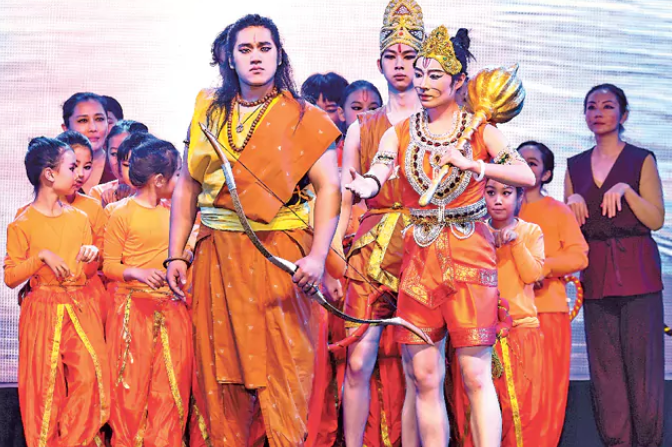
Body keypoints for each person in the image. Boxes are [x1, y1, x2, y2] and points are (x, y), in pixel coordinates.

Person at [345, 25, 535, 446]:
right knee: (424, 375)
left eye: (435, 75)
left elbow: (524, 174)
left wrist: (474, 166)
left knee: (474, 374)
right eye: (420, 73)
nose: (423, 83)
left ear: (458, 81)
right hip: (419, 262)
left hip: (470, 257)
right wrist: (366, 185)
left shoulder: (480, 131)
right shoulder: (400, 131)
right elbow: (379, 170)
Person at [166, 14, 341, 447]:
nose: (256, 57)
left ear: (280, 55)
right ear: (230, 58)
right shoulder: (208, 110)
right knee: (217, 375)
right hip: (217, 257)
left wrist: (318, 257)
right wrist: (175, 254)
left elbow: (330, 188)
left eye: (265, 48)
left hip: (279, 256)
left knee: (285, 370)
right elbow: (187, 184)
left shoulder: (305, 118)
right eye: (245, 49)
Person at [338, 1, 425, 446]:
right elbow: (344, 197)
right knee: (358, 360)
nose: (400, 65)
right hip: (371, 246)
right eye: (392, 56)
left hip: (422, 244)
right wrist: (335, 248)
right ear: (379, 64)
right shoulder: (362, 127)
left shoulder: (437, 124)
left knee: (419, 366)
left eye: (409, 56)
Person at [565, 84, 665, 447]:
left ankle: (649, 442)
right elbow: (569, 232)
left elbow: (656, 219)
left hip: (638, 272)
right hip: (597, 274)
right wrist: (570, 204)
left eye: (608, 106)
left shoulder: (641, 159)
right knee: (605, 370)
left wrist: (627, 191)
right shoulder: (575, 165)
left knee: (644, 368)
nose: (598, 113)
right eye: (591, 106)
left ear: (623, 115)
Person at [4, 137, 109, 447]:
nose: (78, 174)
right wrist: (41, 257)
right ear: (50, 174)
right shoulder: (22, 223)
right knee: (44, 389)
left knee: (89, 378)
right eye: (71, 167)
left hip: (79, 304)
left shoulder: (80, 218)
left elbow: (86, 269)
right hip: (42, 309)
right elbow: (10, 277)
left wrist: (93, 254)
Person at [103, 136, 192, 445]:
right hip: (133, 313)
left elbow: (182, 254)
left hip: (173, 311)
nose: (180, 180)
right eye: (177, 173)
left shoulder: (175, 214)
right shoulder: (122, 213)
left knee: (169, 389)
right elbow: (109, 265)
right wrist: (137, 272)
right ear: (159, 180)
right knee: (131, 390)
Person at [453, 179, 545, 446]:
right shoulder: (472, 232)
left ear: (519, 197)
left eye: (506, 193)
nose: (498, 200)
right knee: (475, 409)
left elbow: (532, 275)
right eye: (491, 193)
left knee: (520, 411)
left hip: (519, 332)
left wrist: (516, 243)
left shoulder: (530, 231)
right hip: (478, 335)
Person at [517, 140, 588, 446]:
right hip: (506, 316)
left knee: (545, 393)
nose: (523, 166)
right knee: (513, 392)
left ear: (546, 174)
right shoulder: (497, 209)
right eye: (518, 160)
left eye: (532, 163)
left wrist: (542, 267)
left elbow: (579, 256)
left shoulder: (557, 211)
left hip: (546, 312)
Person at [61, 92, 116, 192]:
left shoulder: (121, 168)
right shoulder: (55, 172)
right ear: (66, 128)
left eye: (99, 119)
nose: (93, 128)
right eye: (83, 120)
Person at [91, 120, 148, 207]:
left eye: (127, 154)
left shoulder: (160, 193)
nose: (120, 162)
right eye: (114, 154)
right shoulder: (98, 193)